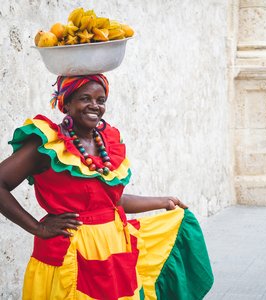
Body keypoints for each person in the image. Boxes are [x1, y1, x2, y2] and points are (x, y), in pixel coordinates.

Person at [0, 74, 213, 299]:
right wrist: (37, 228)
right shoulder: (48, 144)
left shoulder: (107, 144)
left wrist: (162, 201)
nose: (94, 106)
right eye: (85, 98)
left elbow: (112, 202)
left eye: (100, 100)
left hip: (113, 250)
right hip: (70, 253)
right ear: (67, 103)